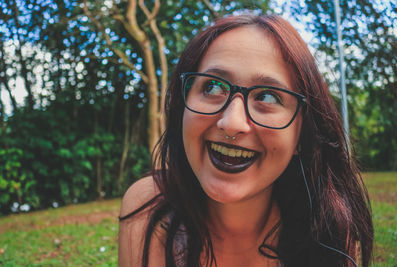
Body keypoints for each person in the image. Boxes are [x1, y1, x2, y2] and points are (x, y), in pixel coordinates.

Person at [118, 14, 373, 267]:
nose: (231, 123)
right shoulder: (147, 208)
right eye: (212, 87)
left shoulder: (328, 229)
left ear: (302, 136)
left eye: (268, 96)